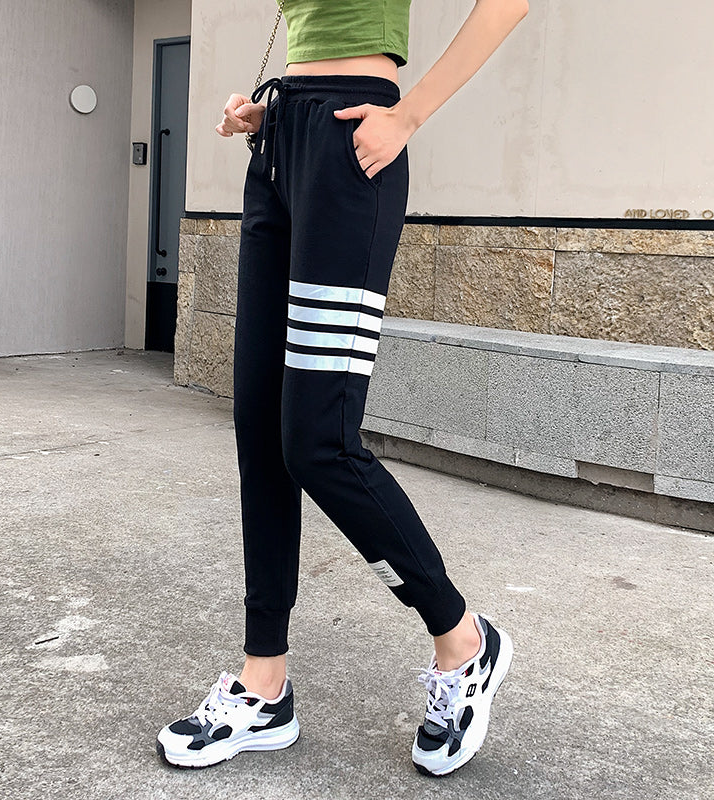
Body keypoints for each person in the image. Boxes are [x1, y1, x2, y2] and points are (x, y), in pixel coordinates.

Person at [157, 0, 529, 777]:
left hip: (355, 145)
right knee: (260, 431)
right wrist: (266, 115)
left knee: (318, 441)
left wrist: (409, 116)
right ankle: (264, 683)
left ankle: (462, 639)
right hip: (281, 143)